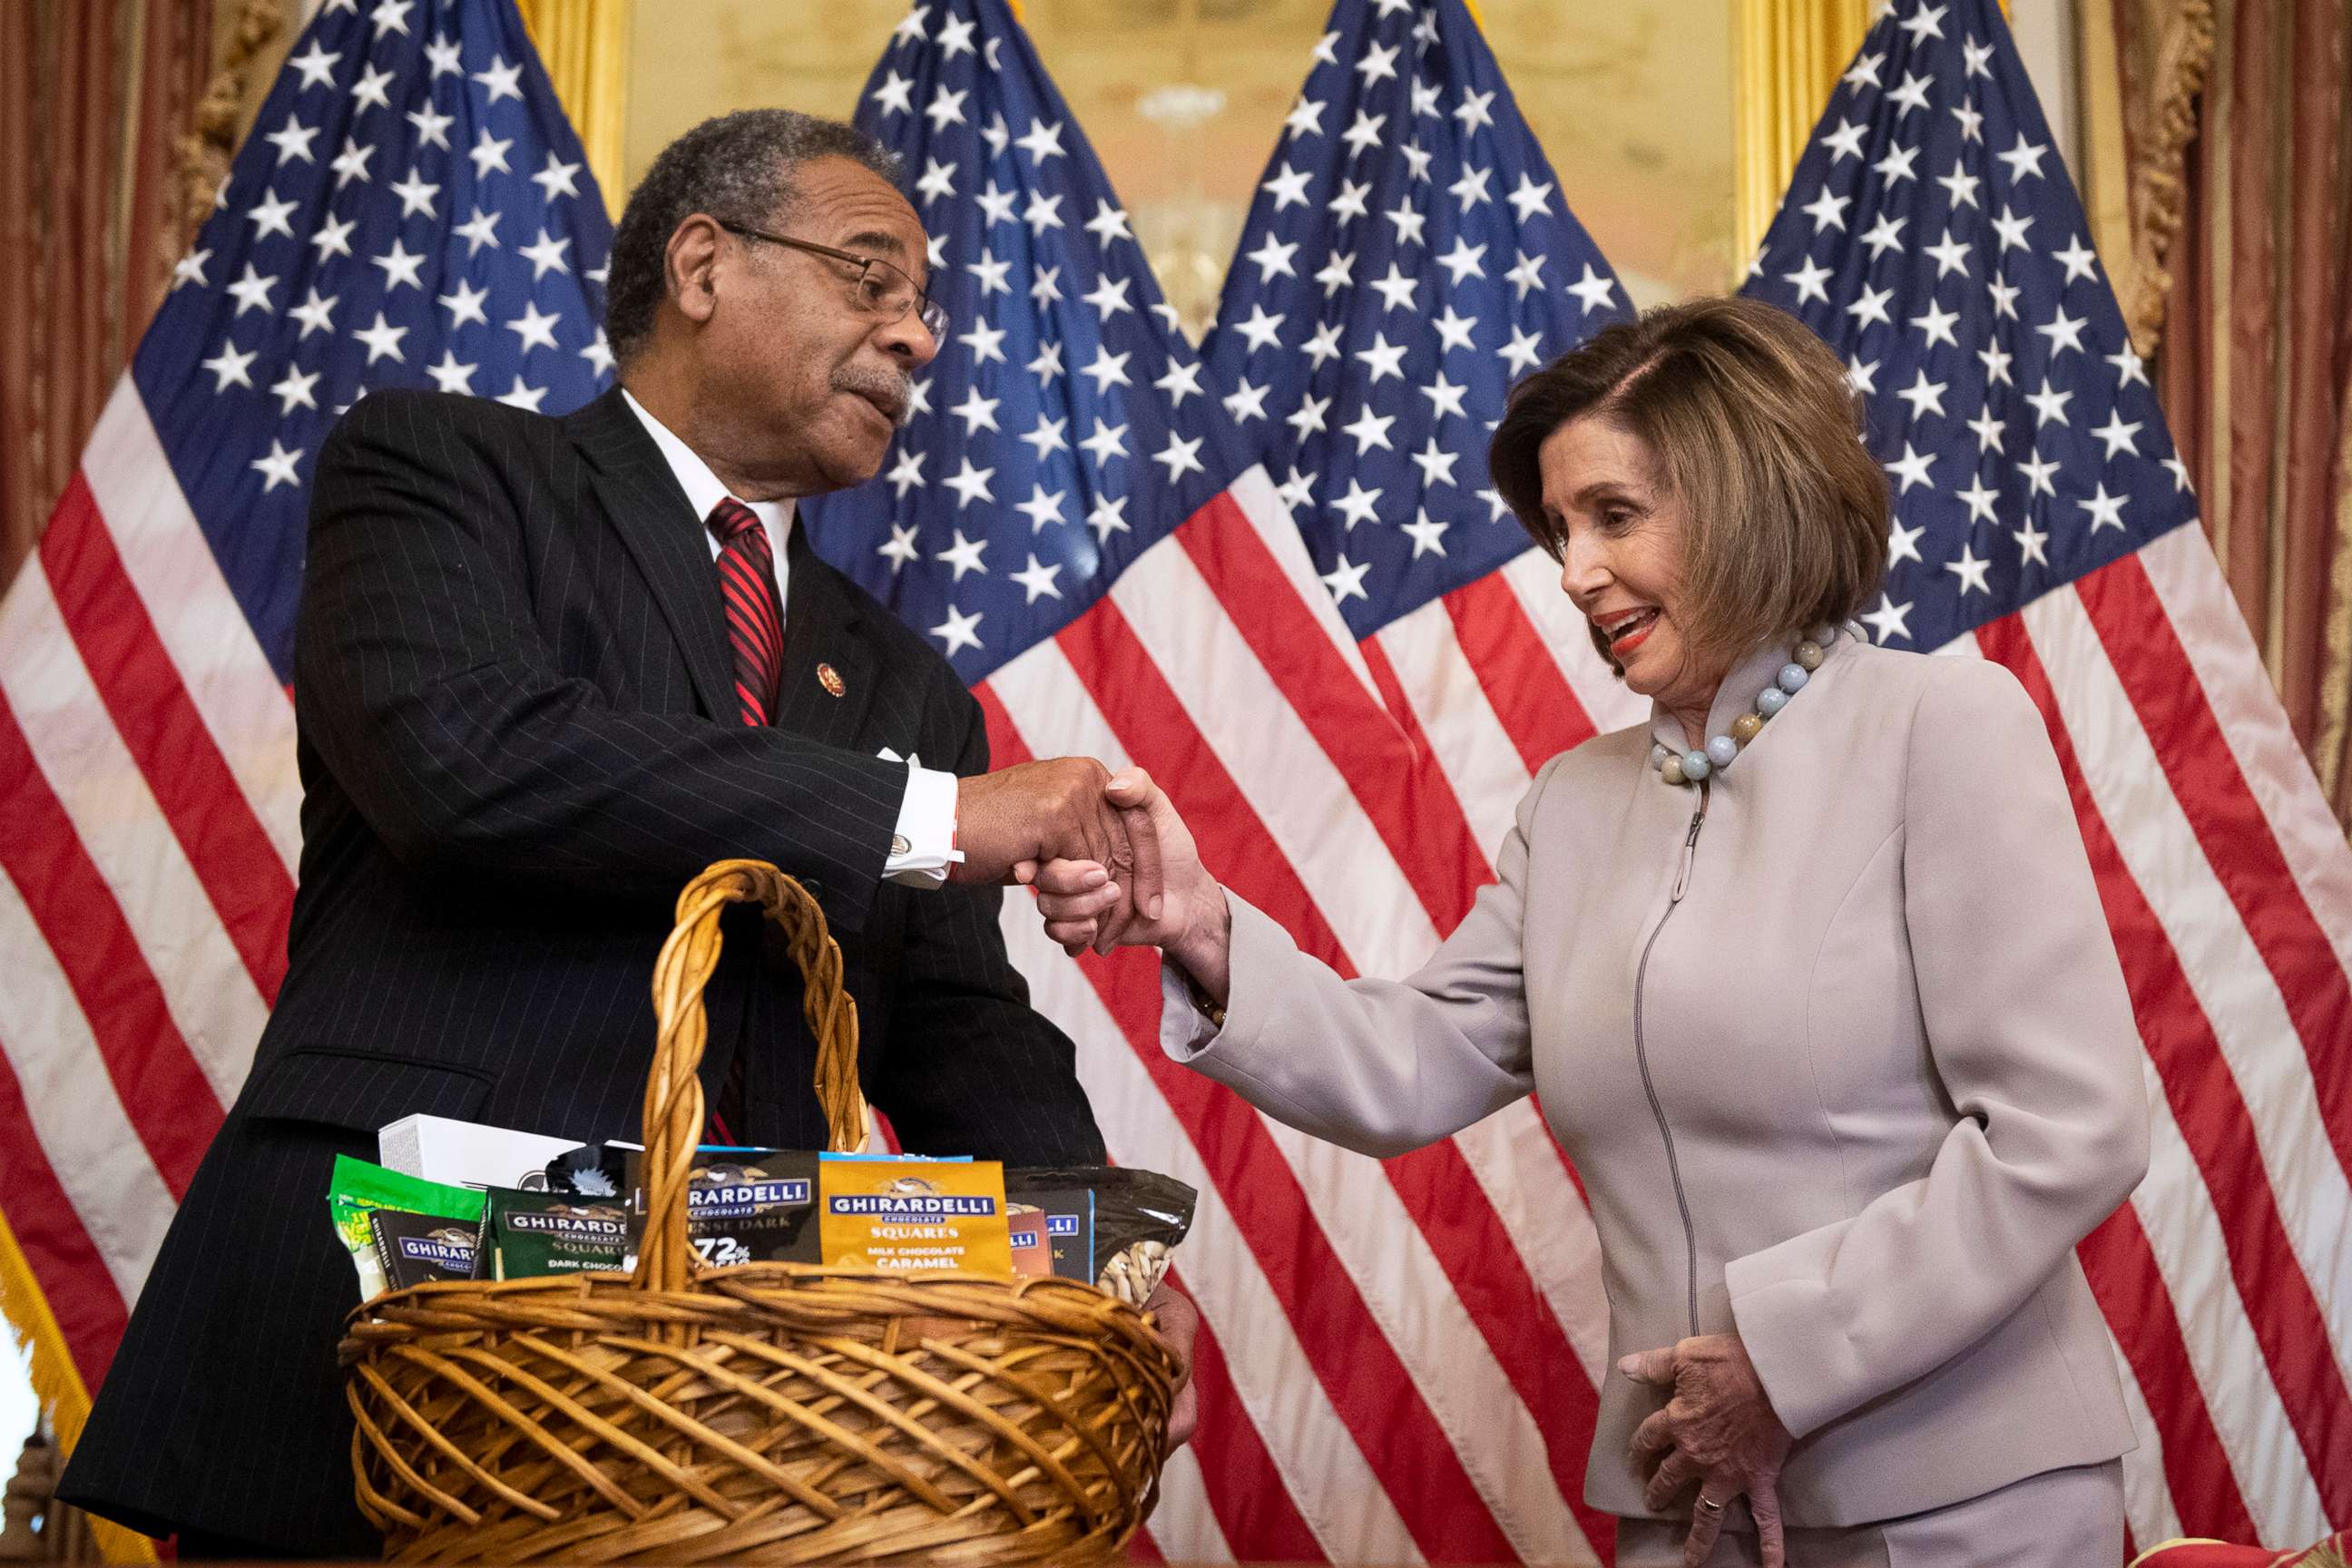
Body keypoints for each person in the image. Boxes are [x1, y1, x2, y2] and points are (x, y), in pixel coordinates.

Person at [60, 109, 1191, 1558]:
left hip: (744, 1424)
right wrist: (934, 815)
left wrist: (1107, 1269)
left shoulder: (908, 681)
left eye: (925, 308)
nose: (917, 340)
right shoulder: (440, 471)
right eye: (871, 278)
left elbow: (963, 1028)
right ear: (706, 266)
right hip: (399, 1348)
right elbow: (468, 765)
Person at [1033, 298, 2151, 1567]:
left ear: (1749, 497)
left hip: (1959, 1496)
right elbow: (1415, 1062)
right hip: (1687, 1493)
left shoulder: (1943, 724)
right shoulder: (1575, 801)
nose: (1572, 573)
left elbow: (2070, 1129)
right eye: (1561, 529)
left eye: (1615, 517)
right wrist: (1200, 922)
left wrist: (1784, 1365)